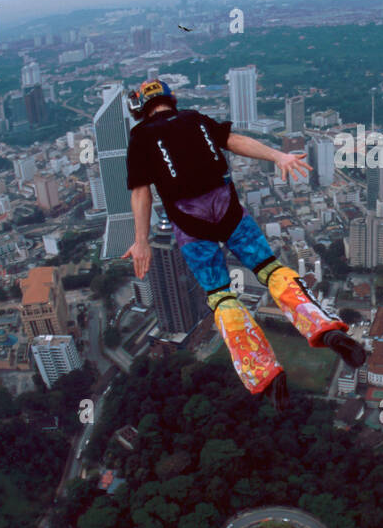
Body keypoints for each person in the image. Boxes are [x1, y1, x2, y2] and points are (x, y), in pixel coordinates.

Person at [121, 79, 365, 407]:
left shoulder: (140, 137)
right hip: (229, 210)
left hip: (190, 224)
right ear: (172, 100)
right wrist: (279, 156)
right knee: (271, 270)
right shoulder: (194, 118)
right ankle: (325, 328)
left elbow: (141, 192)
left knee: (222, 297)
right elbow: (234, 141)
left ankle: (265, 373)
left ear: (140, 109)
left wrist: (141, 241)